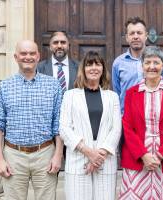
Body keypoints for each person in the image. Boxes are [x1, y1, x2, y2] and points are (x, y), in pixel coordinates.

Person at [0, 40, 63, 200]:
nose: (27, 57)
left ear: (38, 56)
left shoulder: (53, 85)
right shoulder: (4, 87)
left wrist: (58, 155)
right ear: (16, 57)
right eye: (23, 53)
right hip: (14, 156)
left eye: (31, 53)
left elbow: (58, 124)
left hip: (45, 154)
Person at [119, 46, 163, 199]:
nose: (152, 66)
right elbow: (128, 127)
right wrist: (143, 155)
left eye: (156, 62)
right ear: (142, 65)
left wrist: (160, 155)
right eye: (147, 62)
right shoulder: (131, 93)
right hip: (138, 159)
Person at [59, 51, 122, 200]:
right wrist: (89, 152)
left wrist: (99, 155)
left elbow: (116, 129)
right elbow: (64, 128)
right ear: (83, 69)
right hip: (78, 159)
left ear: (102, 69)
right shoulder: (70, 95)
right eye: (89, 64)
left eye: (97, 64)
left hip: (104, 160)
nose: (93, 68)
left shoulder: (112, 96)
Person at [112, 16, 163, 114]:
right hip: (128, 119)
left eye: (139, 33)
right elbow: (117, 94)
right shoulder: (118, 63)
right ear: (127, 38)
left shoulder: (162, 59)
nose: (135, 36)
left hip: (156, 117)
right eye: (132, 33)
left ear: (146, 36)